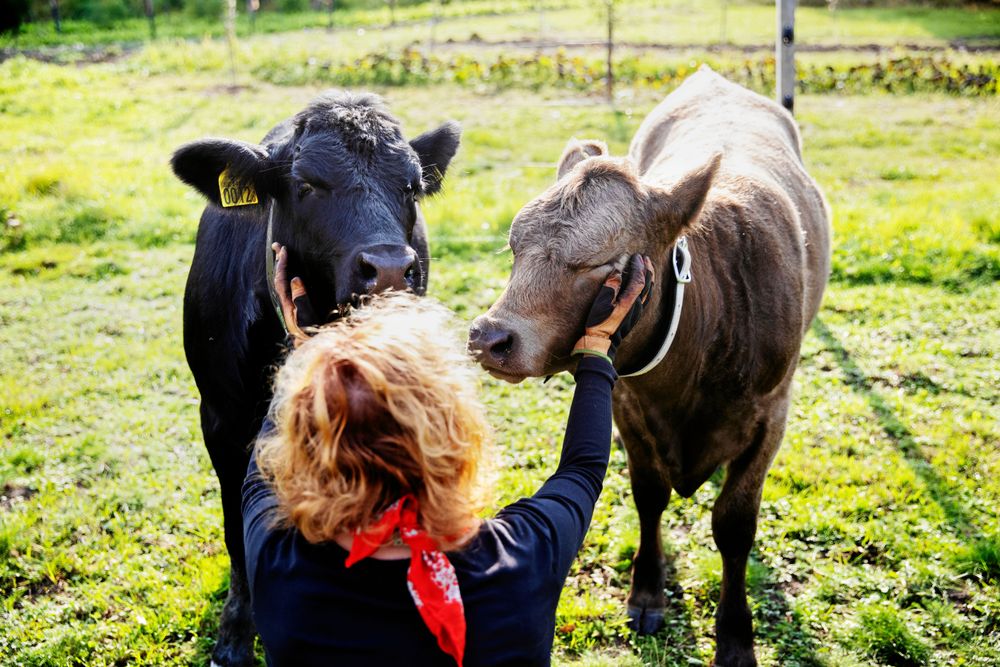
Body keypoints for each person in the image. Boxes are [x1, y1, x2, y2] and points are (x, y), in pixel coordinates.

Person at [242, 245, 654, 667]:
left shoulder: (276, 565)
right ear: (457, 434)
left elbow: (259, 474)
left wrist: (306, 348)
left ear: (302, 446)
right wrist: (597, 347)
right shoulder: (520, 558)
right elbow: (581, 472)